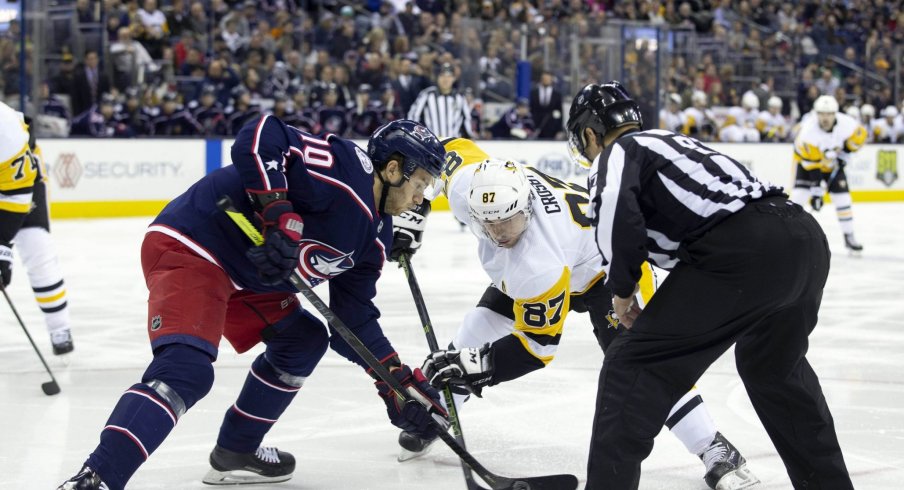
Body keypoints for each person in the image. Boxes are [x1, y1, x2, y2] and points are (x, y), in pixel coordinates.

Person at [57, 118, 449, 489]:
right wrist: (276, 208)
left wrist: (396, 382)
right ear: (394, 169)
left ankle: (236, 449)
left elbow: (353, 321)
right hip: (195, 244)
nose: (420, 197)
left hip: (249, 276)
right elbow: (261, 134)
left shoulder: (377, 237)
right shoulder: (346, 170)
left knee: (303, 340)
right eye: (421, 182)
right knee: (185, 371)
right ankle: (98, 477)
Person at [391, 139, 758, 489]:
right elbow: (439, 152)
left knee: (648, 367)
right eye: (489, 224)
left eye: (508, 221)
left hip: (609, 269)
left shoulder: (537, 261)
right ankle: (439, 411)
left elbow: (538, 348)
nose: (499, 234)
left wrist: (482, 366)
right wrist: (413, 209)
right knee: (476, 329)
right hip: (561, 256)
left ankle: (713, 446)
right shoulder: (467, 185)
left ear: (527, 207)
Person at [563, 81, 853, 489]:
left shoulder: (616, 153)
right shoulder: (672, 141)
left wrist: (622, 292)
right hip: (803, 239)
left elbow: (618, 216)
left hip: (742, 253)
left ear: (590, 133)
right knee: (773, 371)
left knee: (632, 366)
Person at [0, 103, 74, 355]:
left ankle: (59, 327)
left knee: (36, 248)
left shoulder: (5, 129)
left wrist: (2, 247)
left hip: (20, 181)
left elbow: (15, 195)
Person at [789, 95, 867, 252]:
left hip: (832, 166)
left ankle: (849, 236)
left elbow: (858, 139)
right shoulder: (807, 133)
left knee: (843, 199)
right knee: (797, 200)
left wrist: (845, 153)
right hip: (808, 166)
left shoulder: (848, 124)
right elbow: (811, 163)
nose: (825, 118)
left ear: (835, 114)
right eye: (822, 114)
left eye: (829, 114)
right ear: (816, 114)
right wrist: (816, 191)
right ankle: (786, 235)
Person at [407, 62, 476, 139]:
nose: (445, 79)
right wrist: (415, 135)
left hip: (453, 142)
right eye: (442, 76)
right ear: (437, 78)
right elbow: (413, 115)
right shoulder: (427, 94)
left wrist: (470, 136)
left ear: (454, 78)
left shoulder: (459, 97)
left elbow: (467, 119)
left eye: (449, 76)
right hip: (432, 142)